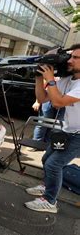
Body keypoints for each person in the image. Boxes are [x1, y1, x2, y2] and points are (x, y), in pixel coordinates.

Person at [24, 44, 80, 213]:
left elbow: (58, 103)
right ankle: (47, 186)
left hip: (78, 135)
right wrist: (38, 77)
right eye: (71, 56)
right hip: (66, 130)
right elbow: (42, 98)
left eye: (76, 58)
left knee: (54, 165)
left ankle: (50, 201)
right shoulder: (67, 80)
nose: (70, 60)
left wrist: (50, 79)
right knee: (46, 159)